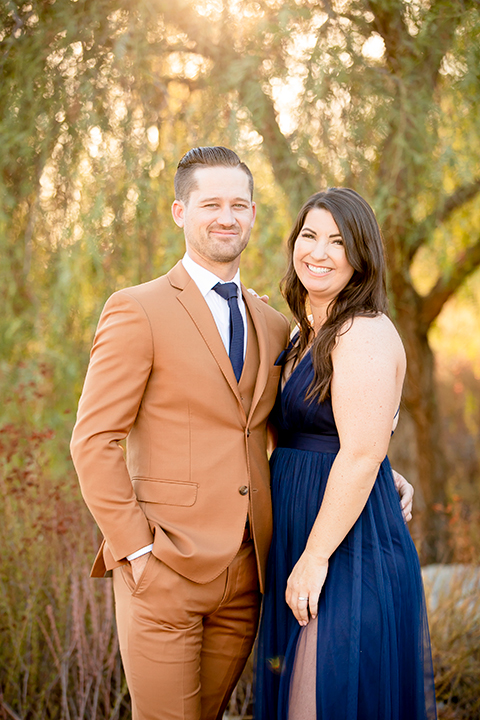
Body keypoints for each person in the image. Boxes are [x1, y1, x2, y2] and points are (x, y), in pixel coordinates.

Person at [70, 148, 414, 720]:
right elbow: (93, 440)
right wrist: (137, 551)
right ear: (180, 212)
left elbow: (304, 424)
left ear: (254, 215)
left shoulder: (275, 324)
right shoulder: (138, 309)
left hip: (253, 572)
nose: (225, 217)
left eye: (238, 205)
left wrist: (377, 466)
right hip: (165, 568)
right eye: (211, 204)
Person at [254, 188, 436, 720]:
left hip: (346, 550)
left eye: (338, 240)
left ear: (361, 256)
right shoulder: (303, 336)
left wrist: (314, 559)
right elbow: (318, 434)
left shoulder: (364, 332)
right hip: (302, 537)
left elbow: (358, 454)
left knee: (324, 701)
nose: (320, 251)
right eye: (309, 235)